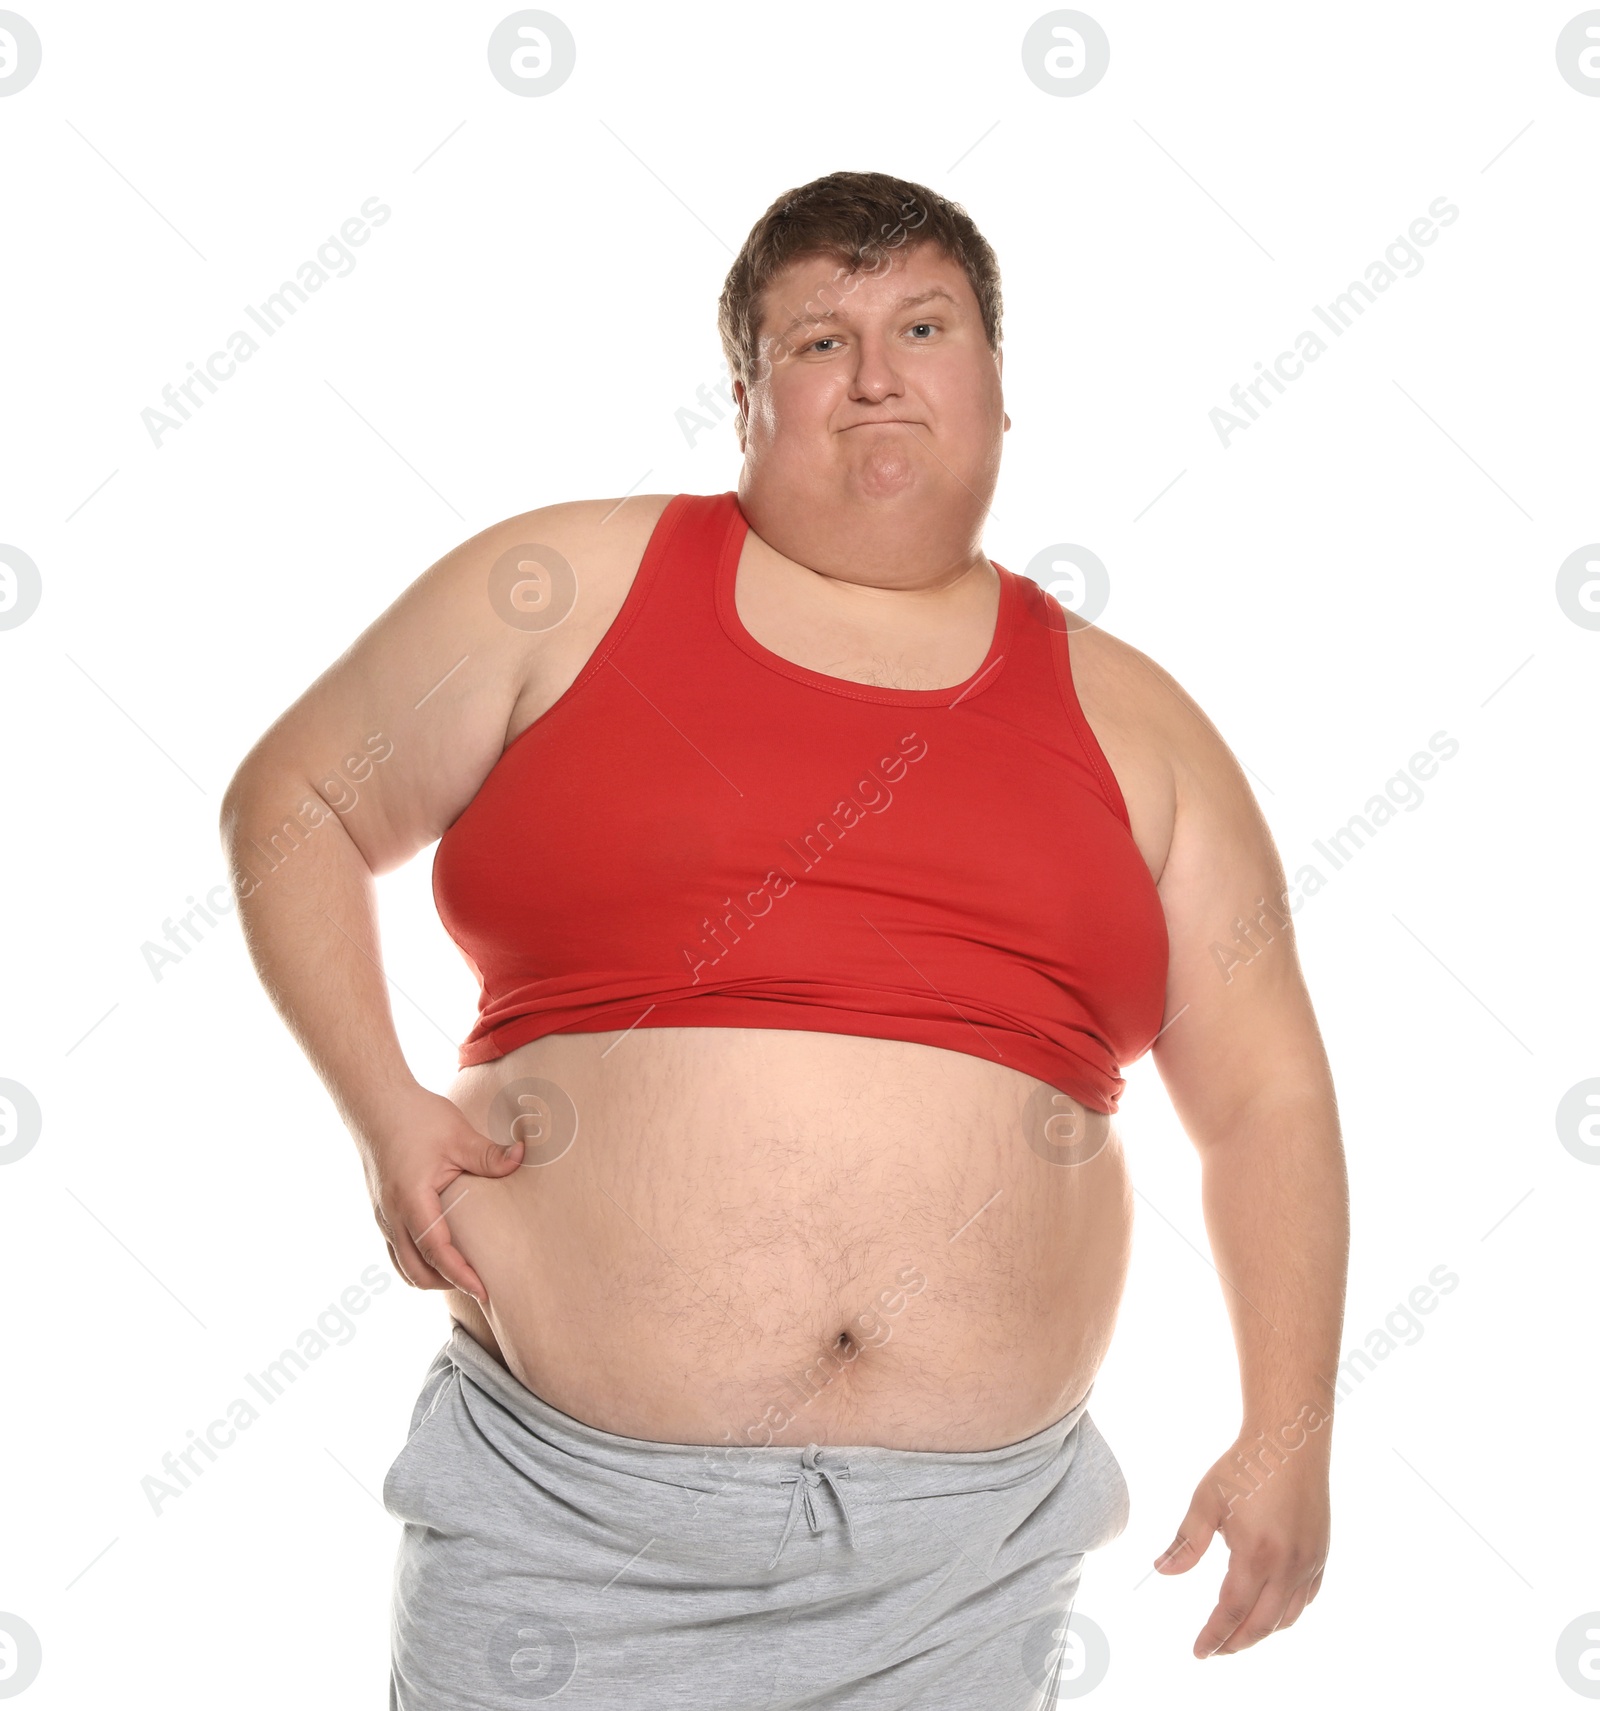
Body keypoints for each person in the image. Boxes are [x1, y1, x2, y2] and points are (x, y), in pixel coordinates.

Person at [220, 169, 1348, 1708]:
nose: (876, 371)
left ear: (1001, 393)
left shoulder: (1139, 724)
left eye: (924, 325)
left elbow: (1270, 1098)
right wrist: (381, 1108)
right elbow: (293, 802)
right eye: (819, 339)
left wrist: (1289, 1435)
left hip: (966, 1570)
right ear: (748, 397)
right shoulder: (562, 588)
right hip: (571, 1531)